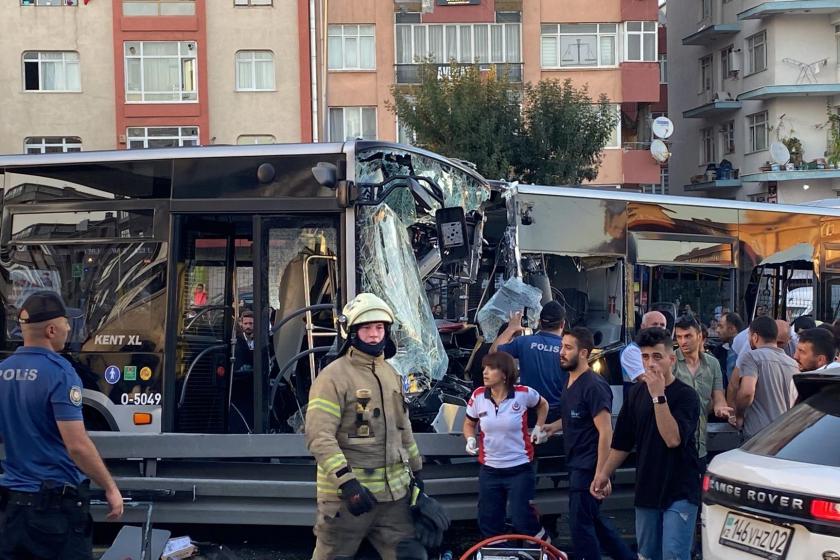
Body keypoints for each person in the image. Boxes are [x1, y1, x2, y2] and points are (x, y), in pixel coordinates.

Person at [0, 291, 123, 560]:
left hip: (11, 510)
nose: (69, 328)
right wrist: (110, 487)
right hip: (54, 513)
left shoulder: (3, 370)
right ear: (51, 330)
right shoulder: (60, 372)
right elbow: (77, 446)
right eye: (67, 322)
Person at [305, 293, 422, 560]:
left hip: (394, 501)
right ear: (352, 332)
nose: (374, 335)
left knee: (410, 555)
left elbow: (404, 429)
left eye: (379, 328)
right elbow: (319, 436)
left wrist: (418, 474)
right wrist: (347, 484)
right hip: (348, 500)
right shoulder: (333, 378)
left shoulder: (391, 374)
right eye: (367, 328)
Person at [592, 327, 702, 560]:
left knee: (673, 554)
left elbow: (672, 439)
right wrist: (603, 474)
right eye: (645, 357)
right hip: (647, 488)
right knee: (647, 554)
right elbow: (622, 441)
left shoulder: (686, 395)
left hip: (680, 489)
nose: (650, 364)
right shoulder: (635, 395)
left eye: (657, 357)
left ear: (671, 360)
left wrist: (659, 396)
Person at [546, 328, 634, 560]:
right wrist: (552, 427)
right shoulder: (570, 381)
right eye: (561, 346)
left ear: (583, 353)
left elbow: (606, 431)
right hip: (576, 463)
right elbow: (575, 417)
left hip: (590, 466)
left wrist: (601, 473)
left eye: (568, 348)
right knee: (593, 521)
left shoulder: (593, 386)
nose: (561, 352)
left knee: (581, 526)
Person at [463, 351, 549, 541]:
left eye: (491, 368)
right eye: (484, 368)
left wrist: (538, 427)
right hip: (490, 470)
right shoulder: (478, 396)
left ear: (504, 374)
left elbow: (543, 405)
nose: (485, 372)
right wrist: (470, 439)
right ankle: (498, 552)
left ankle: (546, 547)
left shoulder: (523, 394)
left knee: (522, 519)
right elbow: (469, 423)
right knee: (488, 520)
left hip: (519, 468)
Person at [491, 301, 567, 424]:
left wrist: (511, 328)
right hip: (558, 417)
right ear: (562, 324)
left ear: (540, 322)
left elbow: (493, 353)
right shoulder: (568, 348)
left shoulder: (523, 342)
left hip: (530, 413)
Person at [672, 317, 732, 466]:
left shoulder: (712, 363)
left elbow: (718, 397)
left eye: (688, 336)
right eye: (679, 337)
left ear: (699, 336)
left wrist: (721, 409)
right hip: (674, 442)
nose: (683, 341)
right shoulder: (670, 362)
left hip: (700, 444)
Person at [728, 317, 799, 440]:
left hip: (758, 434)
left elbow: (746, 393)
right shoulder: (793, 364)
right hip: (785, 435)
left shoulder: (751, 357)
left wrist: (738, 415)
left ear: (754, 337)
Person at [620, 311, 667, 401]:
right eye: (655, 324)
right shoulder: (632, 351)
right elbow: (647, 380)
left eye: (662, 325)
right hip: (639, 404)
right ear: (643, 327)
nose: (659, 328)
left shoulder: (666, 349)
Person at [230, 310, 256, 433]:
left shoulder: (261, 340)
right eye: (246, 324)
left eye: (251, 323)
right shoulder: (237, 341)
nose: (248, 326)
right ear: (241, 324)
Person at [714, 311, 744, 389]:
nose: (717, 330)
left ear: (732, 329)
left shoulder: (748, 350)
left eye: (720, 326)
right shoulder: (718, 350)